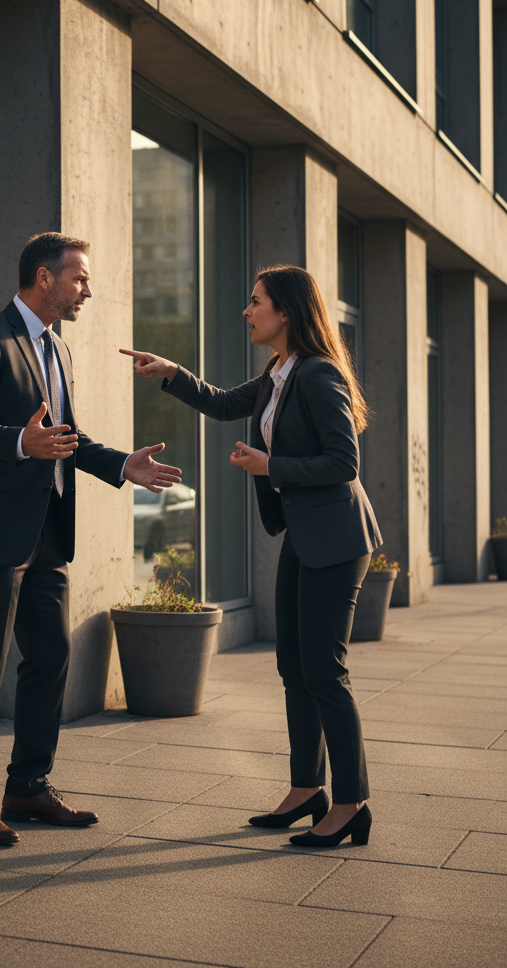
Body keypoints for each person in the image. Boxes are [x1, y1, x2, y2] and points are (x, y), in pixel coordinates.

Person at [121, 264, 381, 848]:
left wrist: (271, 467)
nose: (247, 309)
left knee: (324, 673)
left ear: (285, 311)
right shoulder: (278, 373)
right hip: (305, 536)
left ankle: (351, 803)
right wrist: (171, 373)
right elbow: (220, 402)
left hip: (337, 542)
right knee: (294, 669)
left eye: (256, 301)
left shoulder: (318, 376)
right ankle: (305, 789)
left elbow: (345, 464)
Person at [0, 232, 182, 845]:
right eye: (79, 279)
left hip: (47, 528)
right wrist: (19, 441)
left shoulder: (58, 351)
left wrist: (124, 464)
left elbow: (66, 436)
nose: (87, 290)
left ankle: (27, 786)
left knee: (51, 655)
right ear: (44, 278)